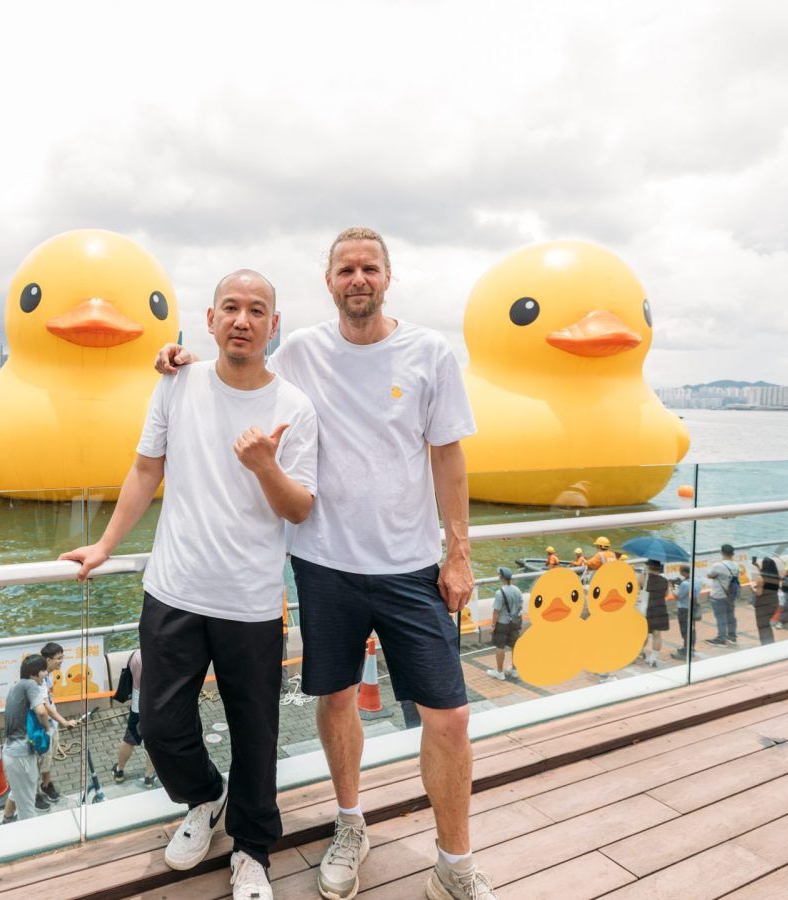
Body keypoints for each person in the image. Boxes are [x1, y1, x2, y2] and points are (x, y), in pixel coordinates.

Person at [155, 228, 492, 899]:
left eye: (369, 267)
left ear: (387, 278)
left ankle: (454, 864)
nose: (357, 278)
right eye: (345, 269)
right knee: (335, 703)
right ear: (330, 281)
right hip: (324, 565)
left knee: (449, 719)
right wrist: (180, 359)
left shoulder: (428, 352)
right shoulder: (303, 350)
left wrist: (459, 554)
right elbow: (239, 366)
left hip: (410, 567)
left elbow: (449, 459)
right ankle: (349, 823)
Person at [67, 268, 318, 899]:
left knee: (255, 733)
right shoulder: (178, 382)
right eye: (230, 307)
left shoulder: (294, 407)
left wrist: (264, 465)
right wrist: (103, 546)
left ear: (273, 325)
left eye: (257, 310)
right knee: (158, 722)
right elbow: (146, 469)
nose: (242, 319)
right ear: (208, 321)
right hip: (173, 589)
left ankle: (254, 849)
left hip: (252, 601)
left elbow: (300, 509)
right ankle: (205, 798)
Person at [0, 654, 51, 824]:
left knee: (18, 791)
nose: (46, 674)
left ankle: (7, 820)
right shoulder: (31, 685)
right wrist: (47, 728)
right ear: (34, 674)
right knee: (28, 808)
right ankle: (31, 842)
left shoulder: (15, 688)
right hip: (21, 756)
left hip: (10, 752)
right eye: (44, 670)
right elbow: (42, 711)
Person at [36, 642, 77, 804]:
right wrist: (64, 721)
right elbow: (45, 706)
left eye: (62, 657)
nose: (62, 661)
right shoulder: (39, 677)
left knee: (49, 757)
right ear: (48, 659)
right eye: (59, 658)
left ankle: (46, 784)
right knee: (38, 761)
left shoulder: (49, 674)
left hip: (51, 724)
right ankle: (33, 794)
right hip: (42, 726)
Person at [112, 649, 158, 787]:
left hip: (138, 707)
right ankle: (149, 777)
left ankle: (119, 771)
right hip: (157, 707)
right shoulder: (163, 655)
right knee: (154, 744)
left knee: (130, 740)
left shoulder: (136, 656)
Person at [703, 545, 744, 646]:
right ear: (733, 554)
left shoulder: (718, 565)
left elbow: (709, 575)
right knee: (731, 615)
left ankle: (721, 639)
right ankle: (732, 637)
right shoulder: (736, 565)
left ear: (721, 553)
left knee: (720, 617)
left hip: (718, 594)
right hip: (731, 594)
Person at [488, 567, 524, 681]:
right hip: (514, 622)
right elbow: (520, 607)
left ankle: (499, 672)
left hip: (502, 624)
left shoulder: (500, 593)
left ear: (501, 577)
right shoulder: (517, 590)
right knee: (515, 646)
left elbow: (496, 611)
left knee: (500, 646)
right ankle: (514, 670)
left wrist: (493, 626)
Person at [669, 564, 704, 661]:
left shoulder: (685, 584)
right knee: (692, 629)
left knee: (685, 630)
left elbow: (678, 597)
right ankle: (691, 647)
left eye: (681, 571)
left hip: (684, 609)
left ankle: (686, 651)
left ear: (684, 572)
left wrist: (673, 588)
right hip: (693, 607)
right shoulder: (697, 581)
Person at [641, 559, 670, 666]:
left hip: (647, 609)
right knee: (657, 634)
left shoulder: (643, 578)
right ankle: (653, 658)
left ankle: (640, 652)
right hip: (660, 609)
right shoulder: (664, 581)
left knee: (643, 633)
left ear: (648, 567)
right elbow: (667, 594)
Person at [752, 555, 782, 644]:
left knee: (762, 625)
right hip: (774, 603)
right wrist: (757, 566)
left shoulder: (760, 579)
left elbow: (759, 593)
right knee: (767, 624)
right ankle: (770, 642)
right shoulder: (776, 576)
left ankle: (766, 644)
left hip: (762, 605)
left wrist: (753, 588)